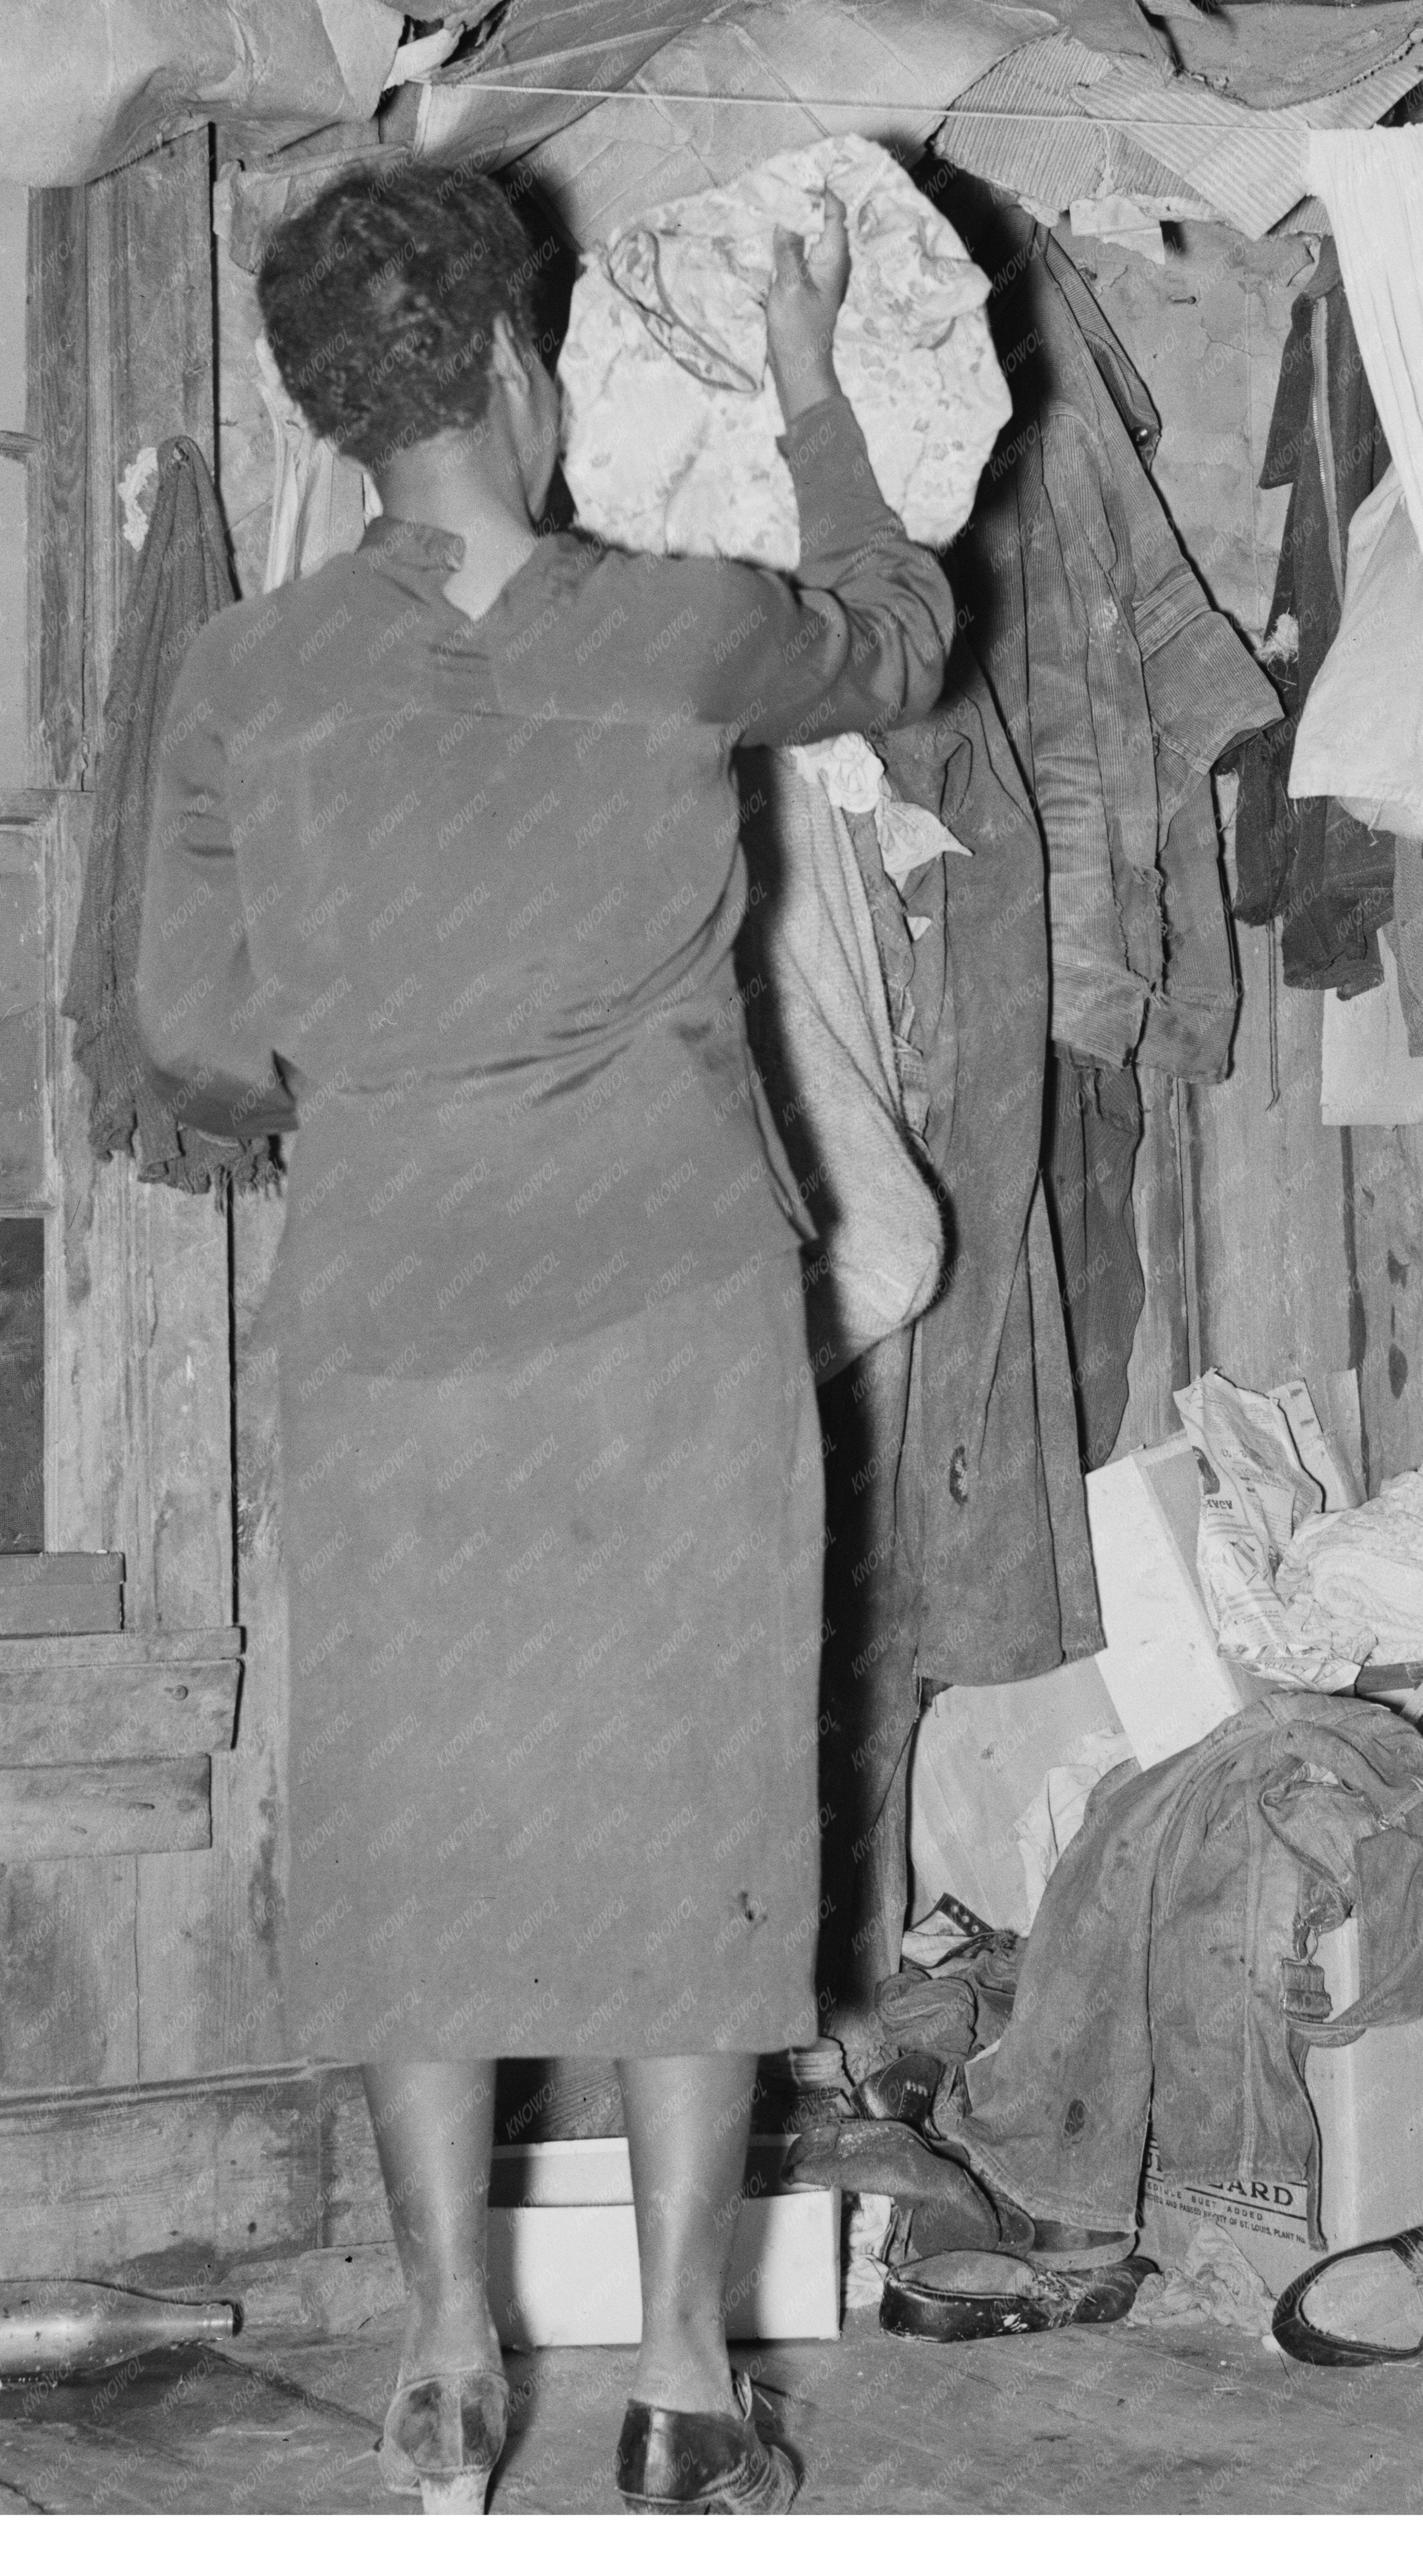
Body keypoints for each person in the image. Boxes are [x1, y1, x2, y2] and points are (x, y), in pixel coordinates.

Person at [135, 161, 953, 2514]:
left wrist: (401, 1071)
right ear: (520, 367)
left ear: (343, 409)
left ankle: (442, 2348)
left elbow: (193, 1039)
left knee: (413, 1821)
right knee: (694, 1809)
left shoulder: (243, 677)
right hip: (671, 1318)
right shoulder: (676, 625)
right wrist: (808, 384)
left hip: (395, 1314)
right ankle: (686, 2369)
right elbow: (899, 632)